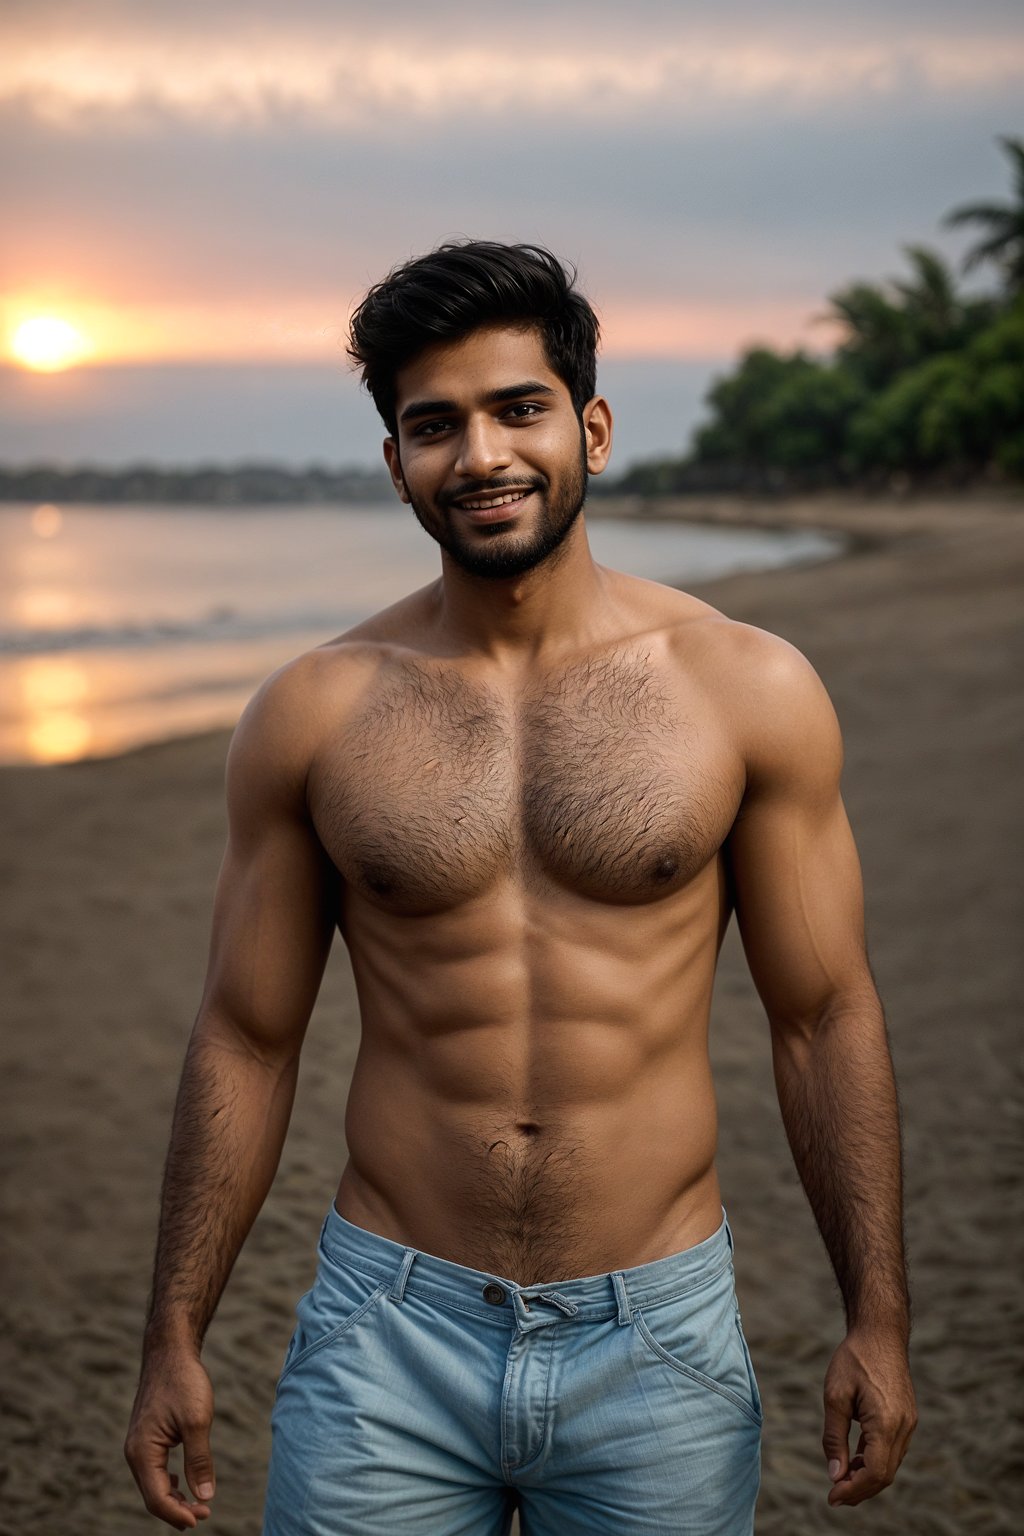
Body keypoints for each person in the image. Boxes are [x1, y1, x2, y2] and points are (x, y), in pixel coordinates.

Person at [125, 241, 917, 1534]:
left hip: (654, 1332)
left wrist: (876, 1318)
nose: (481, 455)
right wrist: (172, 1333)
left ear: (591, 426)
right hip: (388, 1328)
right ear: (396, 465)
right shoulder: (315, 712)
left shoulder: (744, 688)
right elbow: (247, 1039)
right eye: (434, 426)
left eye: (519, 409)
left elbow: (823, 1016)